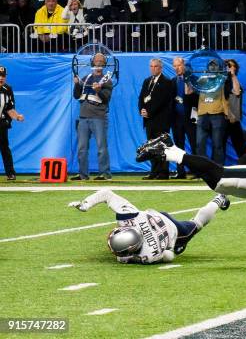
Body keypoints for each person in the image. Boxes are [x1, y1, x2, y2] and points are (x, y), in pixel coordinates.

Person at [68, 190, 230, 264]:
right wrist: (86, 205)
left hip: (173, 231)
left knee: (197, 224)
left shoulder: (148, 254)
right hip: (157, 217)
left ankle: (220, 199)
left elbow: (168, 255)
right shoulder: (130, 216)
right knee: (194, 225)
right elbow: (106, 193)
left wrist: (171, 248)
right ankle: (219, 198)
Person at [71, 53, 113, 181]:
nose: (98, 63)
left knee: (101, 147)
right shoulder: (86, 77)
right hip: (83, 117)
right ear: (92, 62)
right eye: (96, 60)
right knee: (82, 148)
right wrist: (77, 84)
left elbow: (106, 99)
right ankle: (83, 175)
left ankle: (104, 174)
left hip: (99, 117)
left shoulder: (107, 80)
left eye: (101, 61)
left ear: (104, 63)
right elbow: (77, 96)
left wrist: (99, 90)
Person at [138, 58, 173, 180]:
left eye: (156, 66)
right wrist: (142, 110)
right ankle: (154, 171)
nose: (153, 69)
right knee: (151, 148)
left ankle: (163, 172)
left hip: (161, 121)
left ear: (161, 68)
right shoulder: (147, 81)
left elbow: (162, 102)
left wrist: (149, 112)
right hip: (149, 121)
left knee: (162, 147)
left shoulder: (166, 82)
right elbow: (141, 98)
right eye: (151, 66)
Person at [170, 57, 198, 179]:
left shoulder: (194, 80)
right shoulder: (172, 81)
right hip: (176, 119)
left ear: (184, 65)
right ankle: (180, 172)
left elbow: (197, 100)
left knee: (194, 145)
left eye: (179, 65)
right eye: (175, 66)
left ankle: (198, 171)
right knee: (178, 147)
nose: (177, 68)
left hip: (190, 119)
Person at [0, 66, 25, 181]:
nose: (1, 78)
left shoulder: (7, 89)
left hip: (1, 123)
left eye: (3, 76)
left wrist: (17, 116)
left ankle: (10, 173)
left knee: (5, 148)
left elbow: (10, 109)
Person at [223, 59, 246, 159]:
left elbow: (236, 92)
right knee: (219, 146)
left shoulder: (235, 81)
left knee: (240, 145)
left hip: (233, 119)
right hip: (221, 118)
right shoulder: (219, 82)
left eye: (231, 66)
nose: (229, 67)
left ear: (235, 68)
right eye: (227, 66)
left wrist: (233, 75)